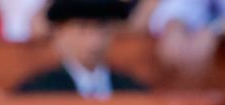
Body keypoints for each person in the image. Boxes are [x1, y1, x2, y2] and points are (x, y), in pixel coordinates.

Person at [15, 0, 146, 96]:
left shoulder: (132, 90)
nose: (95, 40)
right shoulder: (39, 91)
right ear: (60, 34)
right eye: (82, 28)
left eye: (102, 28)